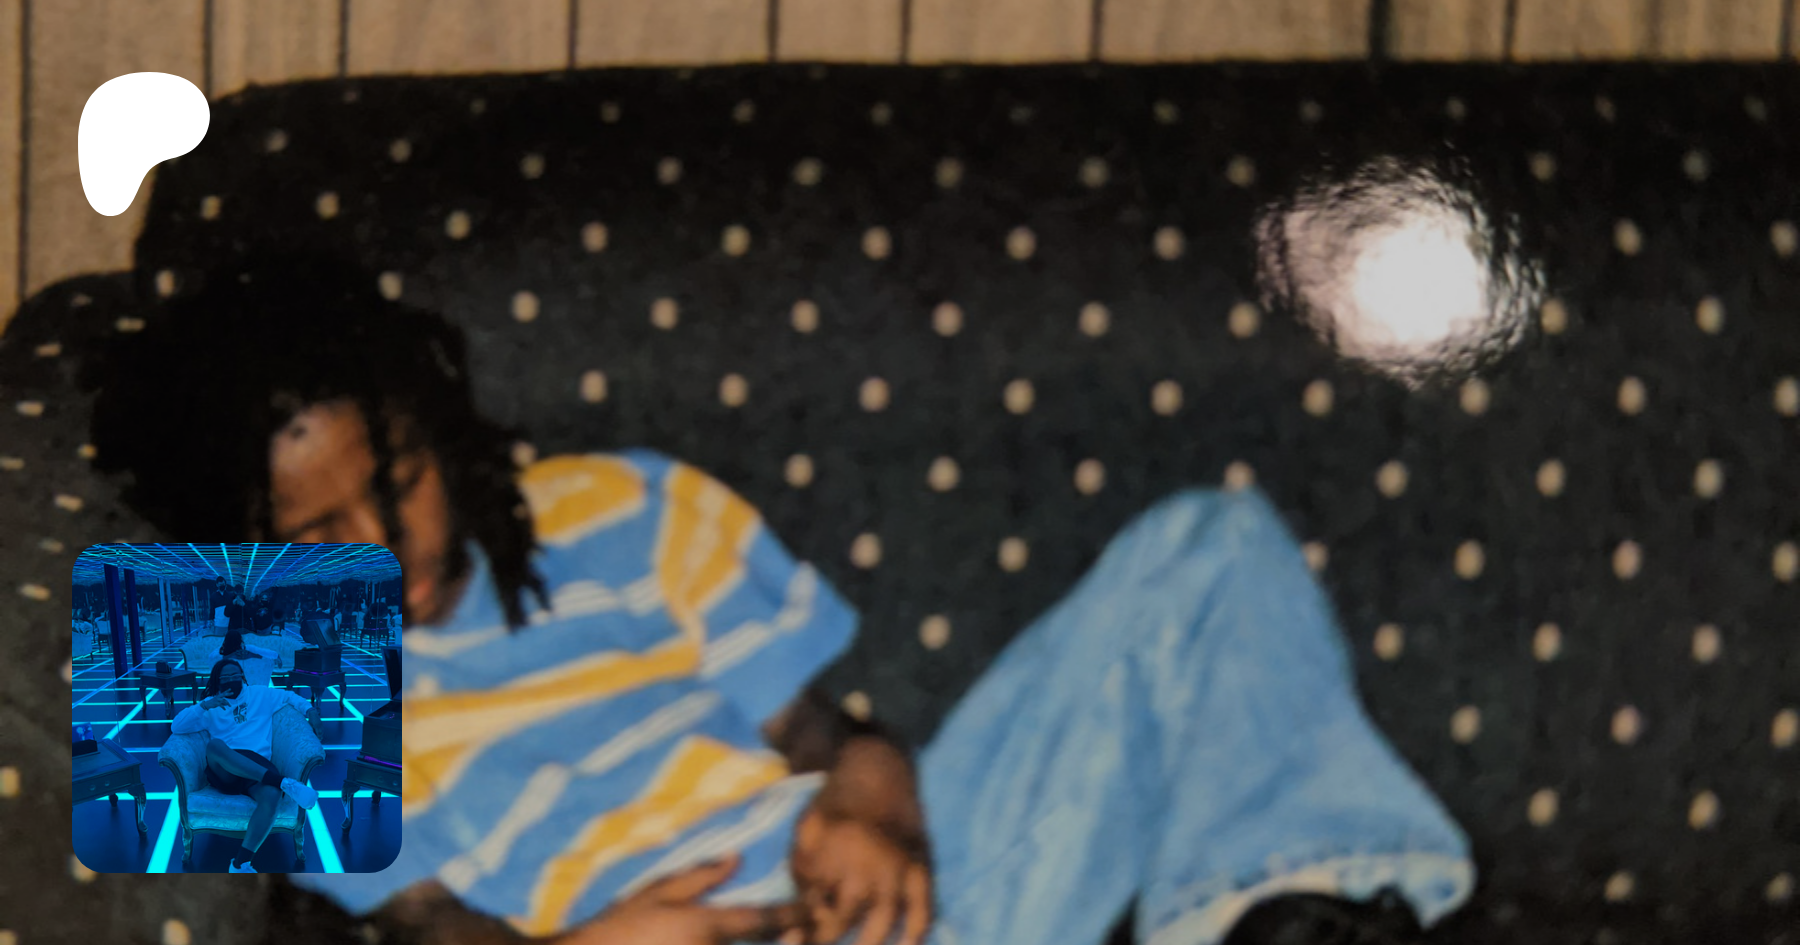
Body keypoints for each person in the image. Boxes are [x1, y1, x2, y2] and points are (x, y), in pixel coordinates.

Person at [88, 257, 1471, 944]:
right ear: (236, 544)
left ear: (438, 429)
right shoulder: (236, 652)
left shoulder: (617, 504)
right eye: (314, 531)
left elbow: (828, 737)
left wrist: (875, 806)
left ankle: (1287, 913)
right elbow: (412, 931)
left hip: (908, 907)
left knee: (1212, 545)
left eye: (399, 478)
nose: (387, 543)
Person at [172, 657, 325, 872]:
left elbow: (291, 697)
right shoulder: (210, 706)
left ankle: (240, 864)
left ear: (243, 677)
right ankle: (282, 782)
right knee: (215, 746)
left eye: (236, 675)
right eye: (226, 677)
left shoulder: (260, 694)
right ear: (217, 680)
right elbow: (177, 726)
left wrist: (312, 713)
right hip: (225, 769)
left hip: (257, 768)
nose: (231, 679)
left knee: (272, 795)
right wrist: (204, 705)